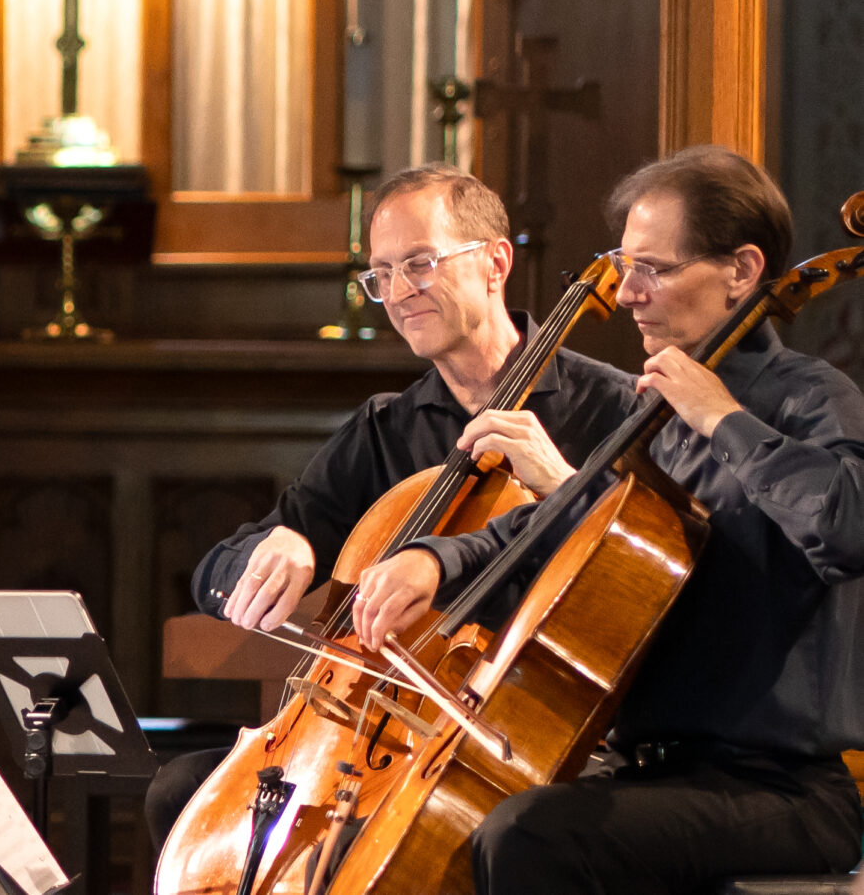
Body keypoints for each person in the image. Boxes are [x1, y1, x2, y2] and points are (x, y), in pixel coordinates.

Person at [354, 146, 864, 892]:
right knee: (462, 823)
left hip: (782, 788)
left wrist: (721, 417)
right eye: (624, 267)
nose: (627, 294)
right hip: (650, 772)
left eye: (653, 269)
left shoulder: (810, 398)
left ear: (742, 271)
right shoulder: (651, 413)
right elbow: (565, 522)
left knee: (531, 838)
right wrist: (437, 561)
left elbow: (850, 526)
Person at [143, 164, 639, 845]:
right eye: (381, 274)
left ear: (495, 262)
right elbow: (212, 573)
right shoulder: (385, 429)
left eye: (420, 264)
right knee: (183, 794)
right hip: (375, 738)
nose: (399, 293)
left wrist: (566, 484)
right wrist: (277, 548)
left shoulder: (613, 407)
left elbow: (642, 579)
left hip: (529, 734)